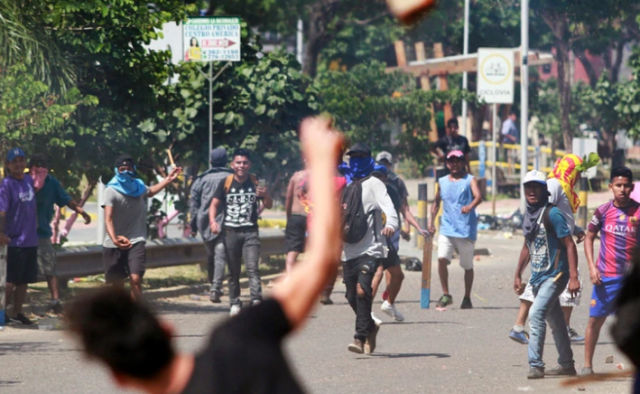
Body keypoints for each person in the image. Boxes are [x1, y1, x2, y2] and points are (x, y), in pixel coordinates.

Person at [66, 117, 343, 394]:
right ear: (167, 329)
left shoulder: (237, 337)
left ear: (119, 378)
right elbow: (322, 262)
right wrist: (320, 160)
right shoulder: (238, 338)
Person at [508, 154, 594, 345]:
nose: (579, 178)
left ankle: (560, 328)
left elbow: (560, 216)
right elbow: (545, 212)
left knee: (549, 288)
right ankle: (522, 326)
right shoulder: (555, 184)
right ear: (570, 171)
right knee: (545, 284)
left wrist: (576, 229)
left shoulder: (564, 187)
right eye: (578, 173)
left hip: (558, 242)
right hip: (553, 246)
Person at [514, 170, 580, 379]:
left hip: (556, 276)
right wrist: (517, 274)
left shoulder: (553, 214)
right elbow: (527, 245)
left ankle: (536, 365)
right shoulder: (529, 215)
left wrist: (574, 276)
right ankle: (567, 364)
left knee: (536, 315)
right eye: (528, 187)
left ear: (545, 189)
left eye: (536, 186)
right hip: (538, 277)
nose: (532, 191)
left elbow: (569, 245)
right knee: (556, 321)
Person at [581, 167, 638, 376]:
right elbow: (589, 237)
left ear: (631, 187)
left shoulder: (639, 211)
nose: (622, 189)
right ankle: (587, 366)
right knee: (595, 321)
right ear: (610, 187)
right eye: (618, 185)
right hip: (606, 276)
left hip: (632, 279)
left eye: (626, 185)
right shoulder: (602, 211)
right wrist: (592, 266)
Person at [342, 143, 398, 354]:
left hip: (371, 248)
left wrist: (391, 225)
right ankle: (371, 326)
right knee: (351, 295)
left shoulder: (375, 183)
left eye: (360, 156)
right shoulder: (348, 187)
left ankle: (359, 337)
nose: (355, 160)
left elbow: (389, 208)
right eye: (352, 157)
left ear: (368, 158)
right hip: (348, 250)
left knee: (362, 290)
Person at [102, 154, 182, 301]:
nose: (126, 172)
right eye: (122, 169)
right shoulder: (110, 191)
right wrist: (115, 239)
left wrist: (169, 179)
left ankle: (136, 314)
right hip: (114, 243)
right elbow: (108, 218)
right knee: (116, 285)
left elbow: (150, 192)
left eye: (129, 168)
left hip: (136, 240)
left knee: (135, 278)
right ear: (116, 170)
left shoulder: (138, 186)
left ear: (134, 169)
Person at [209, 149, 273, 316]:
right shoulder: (226, 182)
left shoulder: (255, 182)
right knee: (233, 270)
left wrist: (266, 195)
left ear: (249, 165)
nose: (241, 166)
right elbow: (214, 205)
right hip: (230, 232)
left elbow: (269, 205)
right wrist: (212, 221)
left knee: (253, 268)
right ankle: (235, 302)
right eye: (238, 163)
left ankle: (256, 301)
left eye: (244, 163)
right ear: (232, 165)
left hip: (250, 231)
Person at [30, 153, 92, 314]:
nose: (38, 168)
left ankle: (55, 301)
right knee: (19, 273)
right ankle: (12, 308)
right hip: (21, 234)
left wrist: (81, 212)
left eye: (42, 165)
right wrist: (35, 185)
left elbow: (66, 200)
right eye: (35, 165)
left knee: (49, 269)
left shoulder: (52, 183)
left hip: (42, 233)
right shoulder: (23, 181)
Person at [370, 163, 427, 322]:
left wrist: (418, 228)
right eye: (373, 177)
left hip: (385, 240)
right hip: (370, 239)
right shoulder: (364, 191)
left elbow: (404, 211)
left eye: (379, 177)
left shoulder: (392, 193)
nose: (376, 180)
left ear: (385, 178)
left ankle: (389, 304)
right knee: (378, 271)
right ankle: (366, 312)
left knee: (398, 275)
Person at [428, 150, 482, 309]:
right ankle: (446, 294)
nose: (454, 164)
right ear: (447, 163)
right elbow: (436, 202)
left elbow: (478, 196)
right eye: (451, 161)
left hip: (465, 230)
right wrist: (431, 222)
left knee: (467, 266)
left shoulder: (470, 180)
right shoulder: (442, 181)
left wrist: (470, 206)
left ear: (463, 162)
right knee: (441, 259)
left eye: (458, 161)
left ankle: (467, 297)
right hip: (446, 229)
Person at [189, 147, 233, 303]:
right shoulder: (232, 177)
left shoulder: (200, 180)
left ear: (210, 162)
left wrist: (192, 226)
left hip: (205, 222)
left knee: (216, 253)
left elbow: (194, 205)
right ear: (227, 161)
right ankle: (215, 285)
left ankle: (215, 288)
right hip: (227, 221)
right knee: (217, 255)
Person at [0, 148, 38, 325]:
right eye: (14, 161)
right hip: (14, 240)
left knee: (24, 281)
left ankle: (17, 312)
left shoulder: (29, 180)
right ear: (8, 165)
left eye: (21, 160)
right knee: (10, 282)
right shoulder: (6, 184)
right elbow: (2, 211)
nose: (18, 164)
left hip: (30, 239)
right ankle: (2, 312)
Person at [284, 169, 308, 277]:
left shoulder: (296, 176)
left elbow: (288, 197)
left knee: (292, 250)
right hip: (313, 216)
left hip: (296, 216)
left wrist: (289, 216)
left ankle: (289, 276)